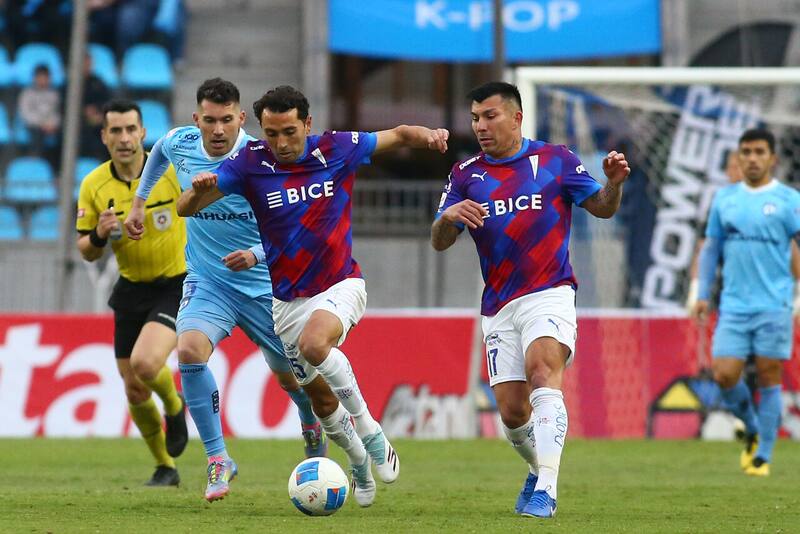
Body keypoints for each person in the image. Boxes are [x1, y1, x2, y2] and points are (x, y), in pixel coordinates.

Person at [175, 85, 449, 507]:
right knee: (320, 400)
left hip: (340, 283)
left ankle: (370, 431)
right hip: (285, 302)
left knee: (315, 344)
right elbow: (185, 208)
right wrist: (198, 189)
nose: (281, 143)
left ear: (307, 124)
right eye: (271, 133)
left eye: (289, 132)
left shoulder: (337, 149)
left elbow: (397, 135)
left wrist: (428, 135)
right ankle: (358, 463)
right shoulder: (249, 162)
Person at [430, 82, 630, 519]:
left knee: (542, 371)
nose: (481, 126)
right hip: (499, 304)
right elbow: (439, 241)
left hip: (550, 291)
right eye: (475, 118)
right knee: (512, 412)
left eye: (490, 116)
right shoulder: (465, 174)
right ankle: (538, 469)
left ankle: (547, 491)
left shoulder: (556, 160)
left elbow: (602, 207)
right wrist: (448, 217)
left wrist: (613, 185)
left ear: (517, 117)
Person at [123, 78, 325, 502]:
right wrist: (139, 202)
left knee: (292, 378)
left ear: (241, 119)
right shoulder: (180, 142)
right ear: (196, 119)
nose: (217, 130)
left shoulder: (261, 159)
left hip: (265, 285)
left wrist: (254, 253)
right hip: (209, 280)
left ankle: (309, 421)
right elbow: (157, 153)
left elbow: (295, 228)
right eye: (210, 120)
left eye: (226, 120)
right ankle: (218, 458)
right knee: (189, 351)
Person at [76, 99, 188, 487]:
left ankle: (174, 405)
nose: (124, 139)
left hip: (175, 283)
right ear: (104, 136)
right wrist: (99, 234)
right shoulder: (93, 185)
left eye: (130, 130)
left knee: (146, 364)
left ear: (143, 132)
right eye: (116, 131)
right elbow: (86, 251)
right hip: (130, 288)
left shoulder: (169, 172)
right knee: (135, 388)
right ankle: (165, 467)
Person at [691, 128, 800, 477]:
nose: (752, 158)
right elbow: (711, 250)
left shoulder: (789, 200)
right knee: (724, 374)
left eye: (759, 152)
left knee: (769, 374)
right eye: (746, 152)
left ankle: (762, 455)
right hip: (734, 306)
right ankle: (751, 426)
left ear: (772, 158)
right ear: (739, 157)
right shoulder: (725, 199)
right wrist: (701, 294)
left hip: (775, 305)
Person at [18, 64, 61, 161]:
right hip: (33, 125)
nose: (43, 80)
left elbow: (57, 112)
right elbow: (25, 114)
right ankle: (35, 161)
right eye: (40, 77)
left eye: (45, 77)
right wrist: (42, 124)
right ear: (35, 78)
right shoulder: (27, 93)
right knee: (37, 134)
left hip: (50, 125)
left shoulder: (54, 94)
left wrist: (53, 124)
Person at [80, 52, 113, 160]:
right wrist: (84, 112)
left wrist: (97, 112)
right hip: (78, 122)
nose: (87, 66)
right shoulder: (71, 83)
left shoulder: (97, 83)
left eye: (88, 63)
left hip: (97, 120)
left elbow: (107, 102)